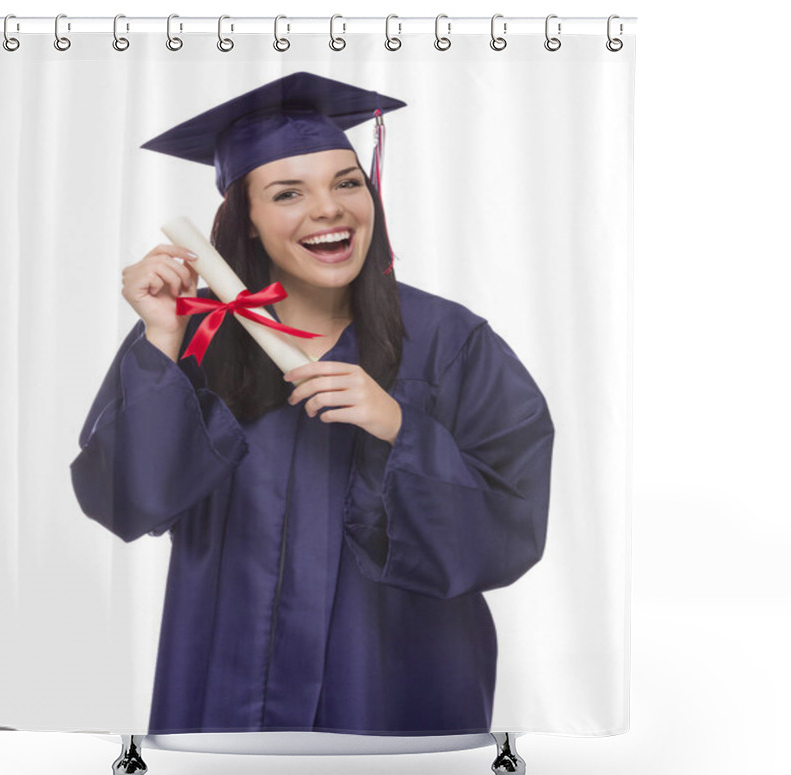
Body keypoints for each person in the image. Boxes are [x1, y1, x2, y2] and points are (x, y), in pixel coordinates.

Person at [71, 72, 554, 736]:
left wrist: (399, 427)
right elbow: (125, 499)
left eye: (346, 182)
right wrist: (160, 334)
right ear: (245, 221)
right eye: (288, 192)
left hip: (396, 681)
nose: (328, 208)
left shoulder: (451, 342)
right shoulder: (196, 332)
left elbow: (513, 530)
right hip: (227, 677)